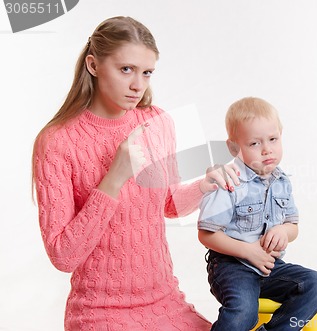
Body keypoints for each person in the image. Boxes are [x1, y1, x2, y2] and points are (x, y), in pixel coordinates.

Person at [31, 16, 239, 331]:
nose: (137, 85)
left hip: (165, 302)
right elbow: (63, 257)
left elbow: (168, 204)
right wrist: (115, 177)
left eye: (146, 73)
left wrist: (204, 185)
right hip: (99, 313)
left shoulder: (158, 121)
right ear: (93, 65)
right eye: (126, 69)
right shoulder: (57, 141)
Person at [198, 97, 317, 331]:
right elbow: (206, 235)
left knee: (316, 284)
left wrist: (283, 231)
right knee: (243, 314)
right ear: (234, 147)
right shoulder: (229, 181)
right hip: (232, 266)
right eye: (254, 144)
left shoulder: (281, 181)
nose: (267, 149)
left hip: (270, 268)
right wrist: (248, 251)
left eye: (273, 139)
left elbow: (292, 225)